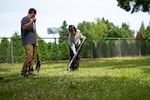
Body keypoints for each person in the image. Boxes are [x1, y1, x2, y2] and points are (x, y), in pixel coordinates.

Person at [20, 8, 38, 77]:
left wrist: (36, 42)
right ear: (32, 13)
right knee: (29, 56)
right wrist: (32, 21)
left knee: (33, 57)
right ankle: (23, 72)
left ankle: (30, 71)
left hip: (33, 41)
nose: (35, 16)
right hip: (27, 41)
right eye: (34, 15)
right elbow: (24, 27)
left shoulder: (31, 21)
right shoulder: (25, 19)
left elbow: (34, 32)